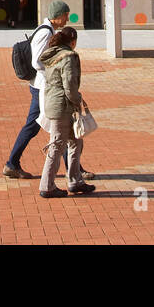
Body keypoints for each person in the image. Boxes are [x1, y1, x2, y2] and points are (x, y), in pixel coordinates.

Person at [3, 0, 93, 180]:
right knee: (62, 125)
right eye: (66, 15)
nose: (67, 18)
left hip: (39, 86)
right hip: (43, 87)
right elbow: (37, 61)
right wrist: (54, 70)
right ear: (58, 16)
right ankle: (74, 170)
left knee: (35, 126)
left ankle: (12, 163)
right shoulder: (45, 33)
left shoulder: (47, 30)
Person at [37, 26, 94, 198]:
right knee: (57, 144)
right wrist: (78, 100)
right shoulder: (68, 57)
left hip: (55, 103)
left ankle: (75, 180)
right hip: (62, 106)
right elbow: (69, 86)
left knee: (76, 141)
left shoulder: (53, 54)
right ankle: (46, 186)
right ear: (73, 41)